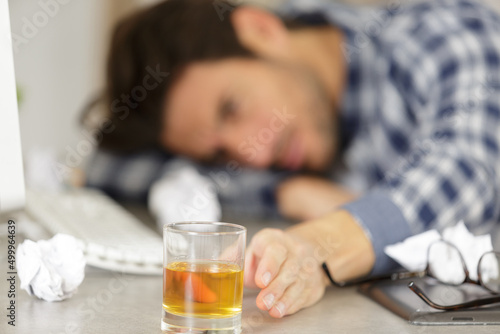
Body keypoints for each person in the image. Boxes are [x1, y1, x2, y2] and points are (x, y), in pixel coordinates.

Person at [85, 0, 500, 318]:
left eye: (232, 108)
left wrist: (318, 246)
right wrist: (287, 191)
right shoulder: (282, 146)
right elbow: (105, 168)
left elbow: (472, 169)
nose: (254, 153)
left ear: (261, 30)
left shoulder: (442, 34)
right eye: (220, 154)